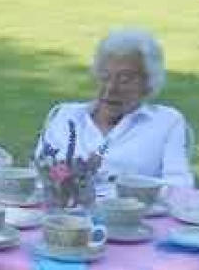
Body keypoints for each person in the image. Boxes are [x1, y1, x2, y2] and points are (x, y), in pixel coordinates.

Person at [35, 28, 195, 189]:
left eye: (125, 79)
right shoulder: (65, 115)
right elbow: (38, 176)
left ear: (149, 83)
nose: (111, 88)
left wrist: (122, 187)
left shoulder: (166, 122)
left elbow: (180, 186)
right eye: (105, 76)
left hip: (134, 213)